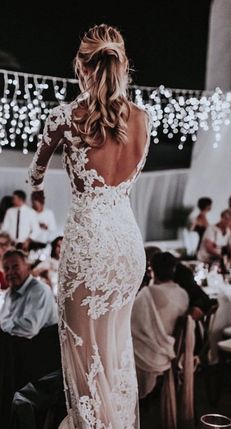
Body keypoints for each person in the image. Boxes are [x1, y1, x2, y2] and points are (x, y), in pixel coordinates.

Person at [28, 24, 151, 429]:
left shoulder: (63, 118)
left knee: (84, 360)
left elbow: (34, 177)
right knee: (115, 354)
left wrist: (41, 178)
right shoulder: (143, 120)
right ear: (123, 64)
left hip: (88, 250)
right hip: (127, 248)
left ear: (81, 67)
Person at [131, 252, 189, 398]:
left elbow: (132, 322)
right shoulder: (183, 294)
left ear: (152, 270)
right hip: (172, 350)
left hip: (151, 353)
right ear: (173, 269)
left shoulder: (147, 294)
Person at [0, 249, 58, 339]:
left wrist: (4, 325)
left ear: (27, 267)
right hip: (20, 346)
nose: (10, 272)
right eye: (6, 269)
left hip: (42, 346)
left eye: (15, 267)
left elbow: (30, 327)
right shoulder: (10, 292)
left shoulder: (39, 290)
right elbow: (3, 318)